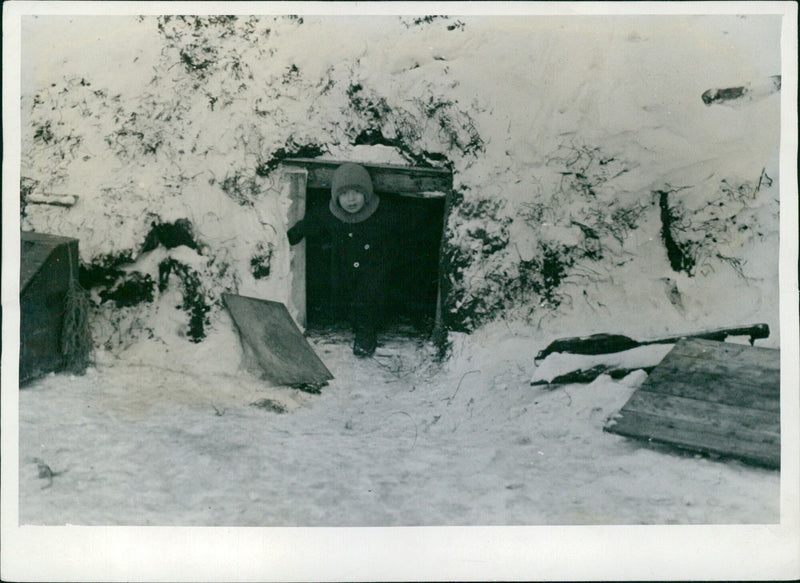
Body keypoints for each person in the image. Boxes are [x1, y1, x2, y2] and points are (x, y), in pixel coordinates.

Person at [287, 162, 404, 357]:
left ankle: (365, 334)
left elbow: (404, 224)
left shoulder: (380, 212)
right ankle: (339, 316)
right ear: (336, 196)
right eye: (344, 193)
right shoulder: (331, 212)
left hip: (372, 269)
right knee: (338, 296)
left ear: (366, 193)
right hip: (342, 268)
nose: (351, 199)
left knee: (367, 300)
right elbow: (314, 220)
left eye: (357, 192)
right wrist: (294, 232)